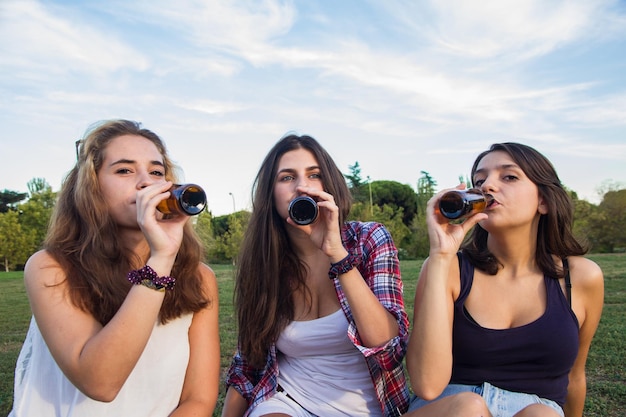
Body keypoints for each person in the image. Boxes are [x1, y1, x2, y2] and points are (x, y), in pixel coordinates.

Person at [9, 119, 220, 416]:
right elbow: (101, 382)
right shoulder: (51, 267)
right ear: (91, 185)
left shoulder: (199, 278)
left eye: (156, 172)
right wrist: (160, 260)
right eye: (124, 170)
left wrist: (167, 252)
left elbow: (198, 399)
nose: (146, 182)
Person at [404, 142, 604, 417]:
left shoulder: (581, 278)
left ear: (543, 201)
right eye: (479, 180)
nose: (487, 186)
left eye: (508, 176)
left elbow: (575, 375)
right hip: (449, 408)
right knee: (469, 409)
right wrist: (440, 256)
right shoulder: (448, 268)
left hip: (537, 408)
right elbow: (426, 385)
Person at [221, 134, 410, 417]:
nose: (302, 186)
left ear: (329, 184)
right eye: (286, 177)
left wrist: (337, 254)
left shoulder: (369, 239)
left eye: (314, 175)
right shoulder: (264, 259)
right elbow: (247, 362)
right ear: (270, 195)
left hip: (371, 408)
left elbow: (387, 348)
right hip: (289, 400)